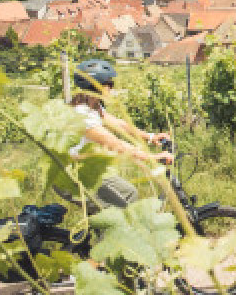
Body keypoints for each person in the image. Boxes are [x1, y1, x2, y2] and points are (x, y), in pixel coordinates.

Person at [68, 59, 173, 209]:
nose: (111, 89)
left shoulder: (93, 107)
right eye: (109, 84)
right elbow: (116, 144)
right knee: (122, 205)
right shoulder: (82, 114)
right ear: (96, 86)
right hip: (75, 176)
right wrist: (153, 157)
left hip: (88, 170)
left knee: (128, 193)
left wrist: (151, 137)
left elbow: (119, 124)